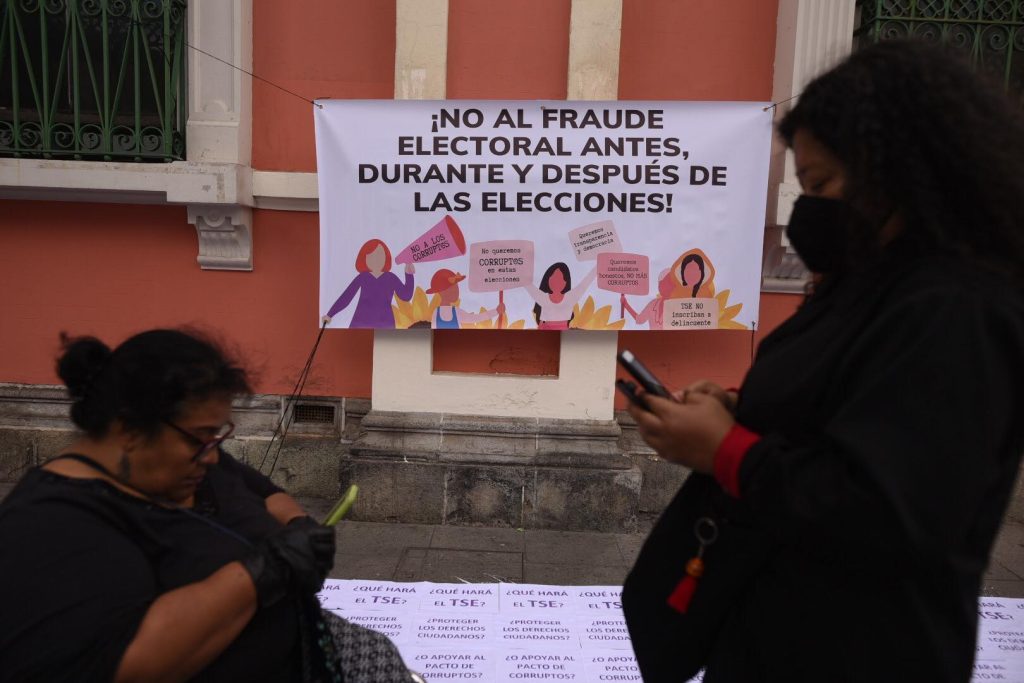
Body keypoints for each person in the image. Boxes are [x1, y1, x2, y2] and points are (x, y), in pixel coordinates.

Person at [622, 40, 1024, 682]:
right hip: (776, 636)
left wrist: (726, 452)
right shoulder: (869, 280)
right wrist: (738, 409)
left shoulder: (958, 308)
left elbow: (891, 509)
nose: (809, 207)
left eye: (821, 185)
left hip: (864, 652)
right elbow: (841, 405)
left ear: (901, 169)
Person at [0, 329, 414, 682]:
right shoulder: (47, 525)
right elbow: (129, 664)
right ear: (127, 427)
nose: (212, 455)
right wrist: (264, 571)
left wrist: (297, 525)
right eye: (200, 438)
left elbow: (264, 491)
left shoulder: (189, 462)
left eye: (217, 436)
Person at [323, 239, 415, 328]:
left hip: (385, 324)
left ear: (386, 257)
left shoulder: (390, 277)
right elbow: (346, 297)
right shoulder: (363, 277)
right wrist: (330, 314)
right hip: (360, 322)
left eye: (379, 255)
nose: (376, 259)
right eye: (371, 256)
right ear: (364, 259)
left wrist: (409, 275)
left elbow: (406, 296)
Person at [524, 261, 597, 330]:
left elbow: (586, 282)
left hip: (563, 334)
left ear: (565, 282)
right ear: (548, 279)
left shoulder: (570, 298)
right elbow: (528, 285)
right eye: (553, 278)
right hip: (544, 332)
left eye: (560, 278)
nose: (556, 281)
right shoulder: (543, 298)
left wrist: (598, 265)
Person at [426, 268, 504, 329]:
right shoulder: (438, 313)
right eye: (452, 288)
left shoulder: (454, 312)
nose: (457, 291)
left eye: (456, 287)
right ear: (441, 292)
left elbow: (475, 318)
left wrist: (496, 311)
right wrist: (496, 311)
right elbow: (475, 318)